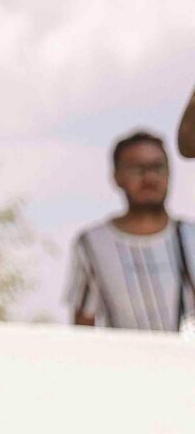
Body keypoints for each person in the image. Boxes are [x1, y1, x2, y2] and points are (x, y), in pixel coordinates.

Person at [67, 130, 192, 332]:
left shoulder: (191, 237)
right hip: (124, 360)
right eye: (137, 169)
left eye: (157, 167)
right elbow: (83, 324)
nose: (149, 178)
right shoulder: (93, 244)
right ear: (117, 177)